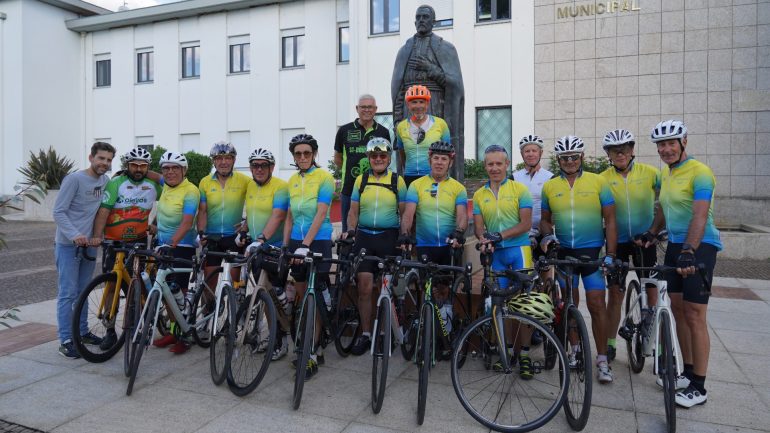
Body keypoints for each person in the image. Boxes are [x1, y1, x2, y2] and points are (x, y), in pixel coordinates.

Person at [651, 119, 721, 408]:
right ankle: (687, 372)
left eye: (671, 143)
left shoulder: (700, 172)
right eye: (661, 145)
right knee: (678, 310)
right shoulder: (667, 174)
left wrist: (690, 249)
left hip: (700, 246)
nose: (666, 149)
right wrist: (651, 232)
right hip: (676, 247)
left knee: (694, 314)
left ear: (684, 143)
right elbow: (666, 211)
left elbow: (699, 215)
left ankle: (699, 386)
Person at [540, 135, 618, 383]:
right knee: (569, 305)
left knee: (597, 305)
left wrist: (612, 255)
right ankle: (575, 351)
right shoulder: (550, 186)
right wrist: (547, 237)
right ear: (559, 160)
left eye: (574, 157)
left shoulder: (598, 182)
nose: (570, 161)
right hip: (564, 255)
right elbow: (544, 219)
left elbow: (611, 220)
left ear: (582, 157)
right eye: (565, 158)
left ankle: (603, 359)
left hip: (592, 254)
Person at [599, 129, 662, 362]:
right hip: (617, 243)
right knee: (615, 294)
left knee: (651, 286)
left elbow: (670, 195)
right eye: (614, 150)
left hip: (645, 240)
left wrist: (659, 228)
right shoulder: (603, 179)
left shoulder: (650, 173)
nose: (620, 153)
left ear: (632, 150)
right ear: (608, 154)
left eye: (624, 149)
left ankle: (651, 331)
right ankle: (610, 342)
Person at [399, 140, 467, 357]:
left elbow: (462, 215)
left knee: (444, 290)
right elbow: (409, 214)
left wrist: (459, 231)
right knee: (426, 289)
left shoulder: (458, 188)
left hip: (447, 246)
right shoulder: (416, 185)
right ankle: (425, 334)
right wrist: (405, 234)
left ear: (450, 162)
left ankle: (444, 338)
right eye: (436, 158)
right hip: (425, 245)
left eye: (443, 159)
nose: (439, 162)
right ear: (430, 160)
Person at [473, 145, 535, 378]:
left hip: (519, 250)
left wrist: (500, 236)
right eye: (490, 164)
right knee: (500, 305)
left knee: (524, 304)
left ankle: (526, 354)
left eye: (499, 163)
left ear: (507, 165)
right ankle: (506, 352)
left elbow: (526, 224)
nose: (495, 168)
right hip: (496, 254)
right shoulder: (479, 194)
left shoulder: (520, 189)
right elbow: (479, 228)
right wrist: (484, 239)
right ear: (485, 166)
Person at [341, 137, 407, 356]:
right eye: (374, 156)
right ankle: (367, 333)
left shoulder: (397, 180)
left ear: (389, 158)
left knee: (387, 287)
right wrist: (351, 230)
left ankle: (385, 332)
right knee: (364, 287)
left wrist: (405, 236)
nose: (378, 159)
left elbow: (405, 212)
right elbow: (353, 212)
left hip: (389, 238)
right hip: (365, 238)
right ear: (369, 158)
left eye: (383, 156)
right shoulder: (361, 180)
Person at [91, 147, 161, 350]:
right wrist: (97, 237)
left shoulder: (153, 185)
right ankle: (110, 331)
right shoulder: (116, 183)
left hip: (138, 241)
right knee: (112, 286)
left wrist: (156, 222)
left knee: (136, 284)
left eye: (143, 165)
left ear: (148, 167)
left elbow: (170, 199)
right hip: (114, 242)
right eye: (134, 165)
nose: (138, 169)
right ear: (127, 165)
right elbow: (104, 212)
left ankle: (138, 325)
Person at [53, 141, 116, 358]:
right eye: (101, 158)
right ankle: (66, 340)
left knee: (84, 291)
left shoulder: (106, 181)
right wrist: (75, 235)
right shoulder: (74, 180)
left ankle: (82, 332)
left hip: (89, 246)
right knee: (67, 294)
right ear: (91, 158)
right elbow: (58, 212)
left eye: (108, 160)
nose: (104, 163)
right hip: (68, 245)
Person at [284, 133, 335, 380]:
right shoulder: (291, 180)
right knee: (304, 296)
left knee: (314, 295)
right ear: (293, 156)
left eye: (307, 153)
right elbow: (289, 217)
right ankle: (316, 340)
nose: (302, 157)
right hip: (297, 241)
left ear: (314, 154)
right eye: (298, 153)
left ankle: (312, 353)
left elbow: (322, 212)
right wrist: (287, 246)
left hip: (319, 240)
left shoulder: (325, 178)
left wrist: (306, 244)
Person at [391, 4, 465, 177]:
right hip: (408, 110)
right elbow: (398, 90)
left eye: (425, 17)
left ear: (434, 21)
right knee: (409, 149)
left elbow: (455, 83)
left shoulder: (445, 48)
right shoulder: (404, 50)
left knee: (437, 148)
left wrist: (429, 68)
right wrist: (397, 120)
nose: (421, 21)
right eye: (418, 17)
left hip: (436, 106)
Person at [242, 148, 290, 360]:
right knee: (264, 294)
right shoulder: (251, 186)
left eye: (263, 165)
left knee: (274, 295)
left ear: (271, 167)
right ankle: (273, 336)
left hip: (274, 248)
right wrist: (245, 227)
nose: (259, 169)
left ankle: (282, 339)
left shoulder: (280, 186)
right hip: (256, 248)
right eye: (255, 165)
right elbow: (254, 212)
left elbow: (278, 215)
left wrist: (261, 239)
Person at [151, 151, 200, 354]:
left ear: (184, 170)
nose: (170, 172)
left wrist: (170, 243)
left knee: (178, 291)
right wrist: (133, 170)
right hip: (163, 245)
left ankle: (186, 335)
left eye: (175, 168)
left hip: (181, 247)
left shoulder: (190, 191)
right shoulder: (166, 184)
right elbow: (153, 175)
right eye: (166, 168)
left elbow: (187, 223)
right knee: (164, 291)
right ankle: (174, 330)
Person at [334, 94, 391, 232]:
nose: (367, 110)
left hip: (375, 188)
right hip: (349, 188)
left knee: (372, 227)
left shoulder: (383, 131)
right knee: (348, 230)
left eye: (370, 107)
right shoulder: (344, 130)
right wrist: (348, 172)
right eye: (363, 107)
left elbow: (387, 158)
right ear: (357, 109)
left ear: (376, 109)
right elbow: (338, 158)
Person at [197, 141, 251, 288]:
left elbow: (255, 205)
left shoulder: (245, 180)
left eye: (228, 158)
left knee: (233, 286)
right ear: (214, 161)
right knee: (208, 285)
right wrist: (201, 233)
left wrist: (246, 225)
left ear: (234, 160)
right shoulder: (205, 182)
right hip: (211, 237)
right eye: (219, 158)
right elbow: (202, 210)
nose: (224, 162)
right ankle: (209, 309)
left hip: (233, 238)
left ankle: (233, 309)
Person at [393, 85, 451, 186]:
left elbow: (448, 153)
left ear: (427, 104)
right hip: (410, 176)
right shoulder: (401, 127)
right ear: (408, 104)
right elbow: (402, 153)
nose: (418, 106)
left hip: (434, 176)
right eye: (414, 102)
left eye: (422, 102)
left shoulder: (441, 124)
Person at [512, 135, 553, 255]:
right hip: (519, 233)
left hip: (543, 233)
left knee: (545, 269)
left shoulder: (550, 177)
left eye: (534, 151)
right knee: (523, 270)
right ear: (522, 154)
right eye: (527, 151)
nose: (530, 154)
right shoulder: (514, 177)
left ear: (541, 153)